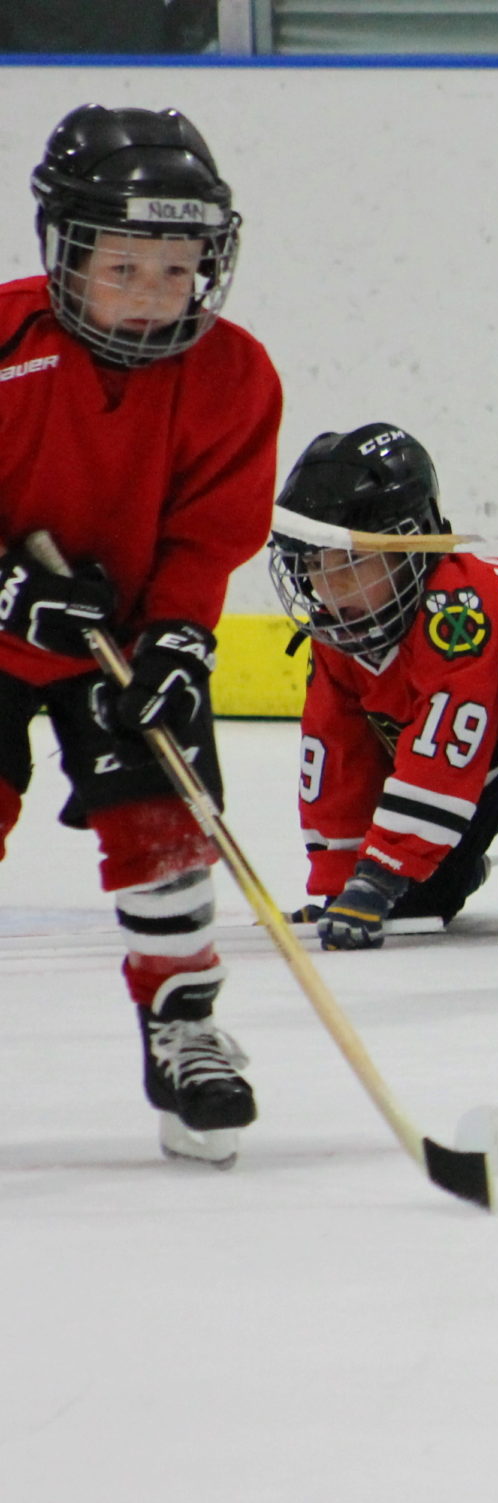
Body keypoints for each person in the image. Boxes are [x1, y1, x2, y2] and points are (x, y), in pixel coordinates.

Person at [0, 106, 281, 1166]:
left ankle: (184, 1027)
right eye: (125, 267)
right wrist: (6, 594)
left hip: (118, 636)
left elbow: (207, 534)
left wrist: (177, 640)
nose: (156, 295)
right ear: (64, 254)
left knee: (164, 822)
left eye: (179, 268)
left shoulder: (234, 375)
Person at [272, 424, 498, 947]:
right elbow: (337, 755)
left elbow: (448, 743)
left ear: (413, 545)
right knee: (414, 911)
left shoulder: (458, 611)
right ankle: (461, 864)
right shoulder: (347, 626)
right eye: (314, 563)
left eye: (353, 561)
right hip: (472, 759)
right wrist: (342, 884)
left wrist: (378, 875)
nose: (331, 587)